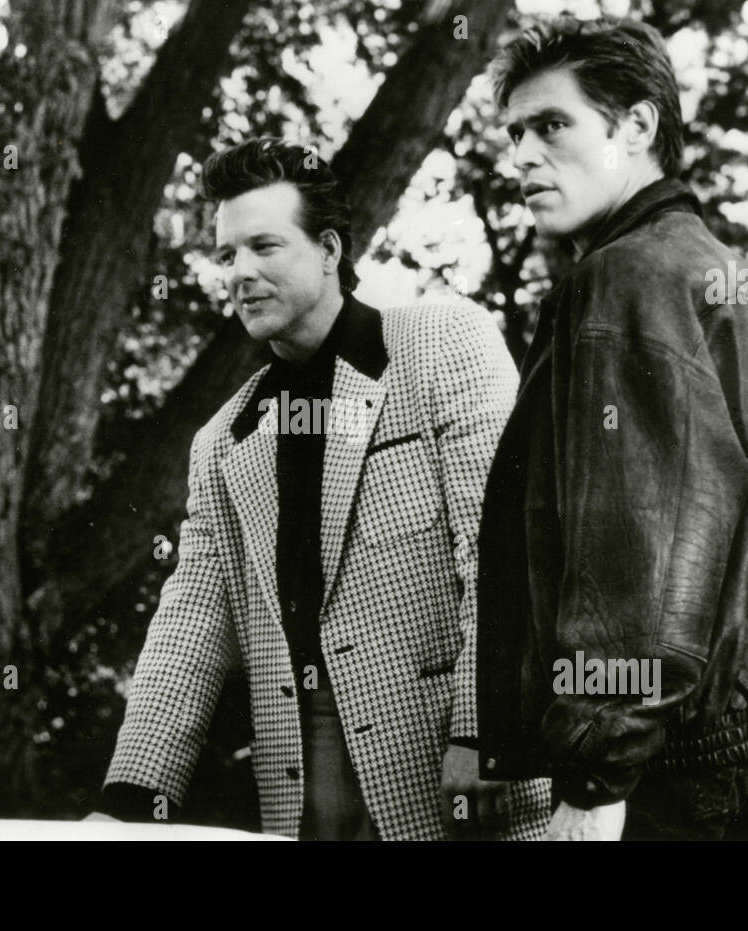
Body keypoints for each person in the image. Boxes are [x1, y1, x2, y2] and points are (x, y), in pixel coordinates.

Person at [103, 137, 551, 840]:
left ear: (331, 251)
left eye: (264, 246)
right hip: (303, 782)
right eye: (226, 255)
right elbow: (188, 628)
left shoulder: (441, 341)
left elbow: (505, 551)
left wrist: (487, 728)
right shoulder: (223, 440)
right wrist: (127, 803)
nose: (240, 273)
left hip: (453, 765)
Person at [475, 16, 748, 840]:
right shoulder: (730, 277)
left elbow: (638, 551)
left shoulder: (624, 277)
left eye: (551, 125)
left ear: (636, 126)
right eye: (515, 132)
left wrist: (596, 776)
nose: (521, 155)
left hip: (659, 772)